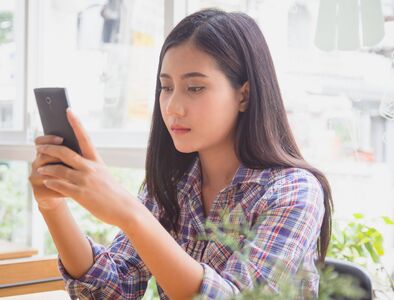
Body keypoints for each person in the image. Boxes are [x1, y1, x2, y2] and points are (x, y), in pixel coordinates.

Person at [28, 8, 333, 299]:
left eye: (195, 88)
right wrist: (53, 207)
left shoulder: (294, 192)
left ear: (244, 94)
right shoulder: (172, 185)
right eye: (166, 87)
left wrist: (130, 214)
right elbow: (112, 291)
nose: (172, 107)